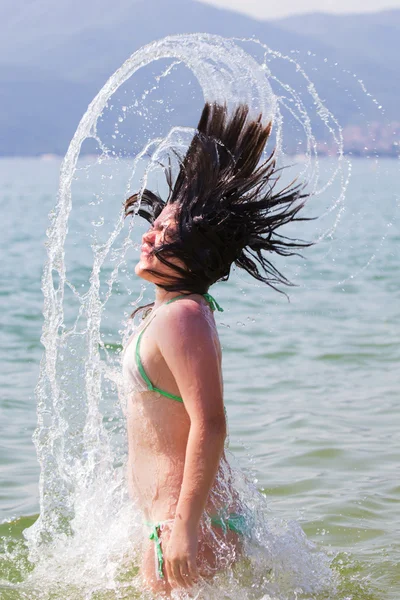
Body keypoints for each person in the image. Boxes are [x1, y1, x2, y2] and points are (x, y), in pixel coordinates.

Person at [122, 102, 310, 593]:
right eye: (155, 224)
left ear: (194, 252)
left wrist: (183, 526)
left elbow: (211, 422)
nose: (149, 235)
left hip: (186, 524)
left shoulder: (184, 316)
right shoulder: (176, 311)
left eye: (165, 232)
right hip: (184, 519)